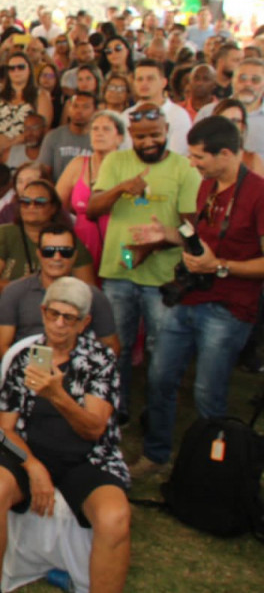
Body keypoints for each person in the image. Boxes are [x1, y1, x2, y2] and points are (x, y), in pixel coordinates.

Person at [0, 278, 130, 593]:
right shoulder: (27, 357)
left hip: (88, 458)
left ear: (84, 322)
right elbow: (5, 426)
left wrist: (57, 395)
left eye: (68, 318)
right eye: (52, 314)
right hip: (30, 451)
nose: (58, 324)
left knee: (115, 516)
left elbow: (94, 429)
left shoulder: (99, 361)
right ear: (43, 311)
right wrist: (32, 465)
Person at [130, 116, 264, 478]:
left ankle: (208, 470)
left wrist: (219, 266)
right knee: (160, 378)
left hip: (228, 309)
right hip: (188, 300)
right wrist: (167, 235)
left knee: (208, 392)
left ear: (225, 153)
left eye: (198, 157)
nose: (192, 163)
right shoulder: (208, 187)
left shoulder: (258, 194)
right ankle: (156, 456)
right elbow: (200, 239)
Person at [88, 102, 201, 422]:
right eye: (140, 137)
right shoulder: (115, 161)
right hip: (120, 269)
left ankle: (156, 414)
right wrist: (123, 187)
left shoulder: (184, 169)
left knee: (162, 357)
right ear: (130, 137)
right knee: (115, 348)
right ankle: (115, 411)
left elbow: (190, 229)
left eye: (154, 134)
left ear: (167, 130)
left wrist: (156, 243)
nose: (148, 141)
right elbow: (93, 209)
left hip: (163, 278)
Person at [0, 222, 120, 359]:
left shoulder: (92, 296)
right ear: (39, 254)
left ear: (74, 255)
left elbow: (111, 345)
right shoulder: (14, 291)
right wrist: (26, 370)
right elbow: (1, 347)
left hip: (78, 370)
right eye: (49, 251)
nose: (57, 257)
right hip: (28, 369)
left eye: (65, 252)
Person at [0, 179, 97, 301]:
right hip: (9, 309)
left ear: (53, 207)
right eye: (25, 202)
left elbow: (88, 290)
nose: (31, 206)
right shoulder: (3, 234)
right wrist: (30, 287)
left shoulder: (69, 241)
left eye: (39, 202)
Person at [57, 110, 127, 269]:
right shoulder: (78, 164)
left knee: (121, 286)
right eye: (95, 129)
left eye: (106, 129)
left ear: (120, 137)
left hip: (121, 247)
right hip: (83, 247)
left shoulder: (129, 167)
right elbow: (57, 204)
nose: (99, 134)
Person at [0, 52, 52, 167]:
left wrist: (11, 144)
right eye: (11, 68)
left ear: (29, 69)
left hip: (22, 151)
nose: (16, 71)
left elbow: (43, 126)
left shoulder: (41, 95)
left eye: (21, 67)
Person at [127, 60, 190, 156]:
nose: (144, 83)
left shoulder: (179, 116)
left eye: (150, 79)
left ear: (163, 82)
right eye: (139, 79)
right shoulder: (125, 116)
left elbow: (177, 155)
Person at [38, 89, 96, 179]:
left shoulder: (99, 139)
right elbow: (44, 172)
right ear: (68, 109)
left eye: (85, 107)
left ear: (95, 111)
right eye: (75, 106)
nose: (79, 111)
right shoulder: (53, 137)